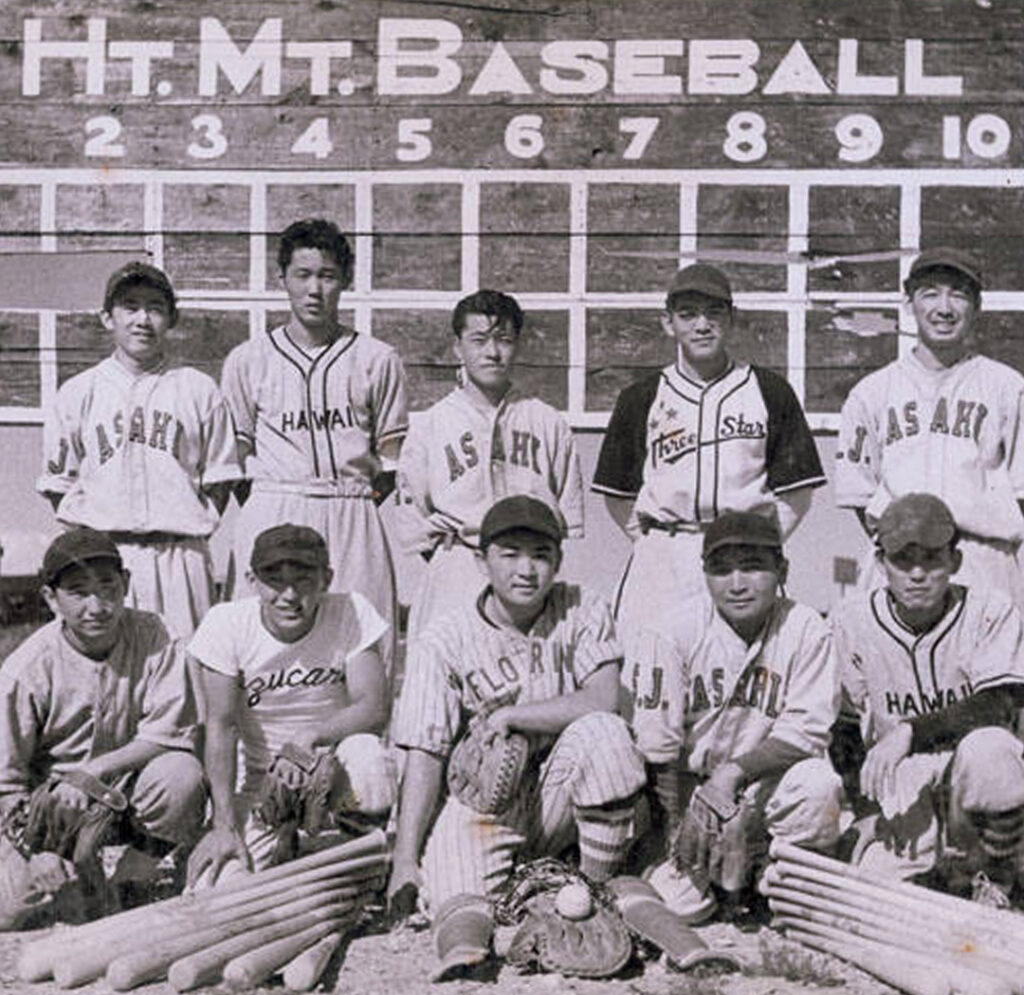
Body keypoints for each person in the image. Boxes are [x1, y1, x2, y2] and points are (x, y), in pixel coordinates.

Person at [387, 495, 646, 981]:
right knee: (452, 897)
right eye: (510, 553)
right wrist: (405, 859)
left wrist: (515, 715)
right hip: (487, 806)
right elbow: (425, 751)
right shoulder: (445, 638)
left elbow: (603, 698)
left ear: (558, 561)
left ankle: (598, 887)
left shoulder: (580, 607)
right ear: (481, 560)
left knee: (605, 736)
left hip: (561, 791)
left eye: (541, 554)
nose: (527, 569)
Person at [592, 262, 825, 644]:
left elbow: (797, 494)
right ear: (668, 323)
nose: (702, 325)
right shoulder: (641, 396)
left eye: (714, 313)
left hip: (741, 556)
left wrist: (758, 543)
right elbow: (618, 495)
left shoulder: (769, 390)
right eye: (688, 314)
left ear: (732, 319)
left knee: (746, 666)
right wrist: (653, 544)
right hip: (666, 551)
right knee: (647, 663)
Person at [627, 510, 841, 922]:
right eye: (722, 570)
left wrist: (733, 776)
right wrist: (677, 831)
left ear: (782, 569)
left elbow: (808, 733)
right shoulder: (670, 630)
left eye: (753, 566)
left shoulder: (806, 628)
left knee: (818, 786)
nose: (738, 583)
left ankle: (779, 876)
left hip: (766, 788)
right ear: (704, 573)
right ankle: (728, 879)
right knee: (681, 908)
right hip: (694, 795)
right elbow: (658, 746)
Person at [220, 219, 408, 670]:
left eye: (326, 275)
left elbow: (391, 461)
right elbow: (237, 460)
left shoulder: (377, 358)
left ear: (344, 279)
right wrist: (276, 497)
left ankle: (361, 741)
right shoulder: (248, 360)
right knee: (259, 642)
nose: (314, 289)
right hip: (274, 500)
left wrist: (351, 500)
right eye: (302, 275)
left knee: (364, 638)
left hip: (351, 506)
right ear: (281, 278)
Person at [0, 528, 204, 928]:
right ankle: (77, 871)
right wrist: (36, 847)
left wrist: (90, 773)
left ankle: (134, 875)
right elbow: (4, 783)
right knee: (11, 911)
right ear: (50, 598)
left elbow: (170, 733)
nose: (97, 606)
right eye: (78, 592)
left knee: (182, 773)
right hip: (54, 811)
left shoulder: (156, 635)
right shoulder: (26, 670)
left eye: (107, 587)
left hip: (128, 796)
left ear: (126, 584)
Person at [831, 493, 1024, 900]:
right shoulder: (851, 621)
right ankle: (947, 874)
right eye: (903, 560)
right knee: (875, 889)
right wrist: (864, 812)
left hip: (972, 780)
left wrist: (908, 732)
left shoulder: (990, 609)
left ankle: (997, 875)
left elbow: (1003, 701)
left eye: (932, 559)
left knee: (992, 749)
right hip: (903, 790)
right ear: (881, 564)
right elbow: (843, 728)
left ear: (954, 561)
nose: (917, 574)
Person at [36, 262, 242, 638]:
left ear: (171, 319)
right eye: (130, 306)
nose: (143, 319)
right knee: (105, 675)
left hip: (180, 554)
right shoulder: (79, 392)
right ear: (107, 318)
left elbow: (220, 480)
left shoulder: (197, 389)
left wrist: (190, 522)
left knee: (184, 671)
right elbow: (58, 485)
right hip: (105, 557)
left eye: (155, 307)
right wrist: (92, 539)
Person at [185, 524, 396, 884]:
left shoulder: (350, 610)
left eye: (302, 578)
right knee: (217, 889)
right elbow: (220, 726)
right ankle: (292, 846)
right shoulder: (226, 623)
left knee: (370, 760)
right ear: (252, 580)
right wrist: (222, 824)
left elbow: (374, 705)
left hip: (333, 771)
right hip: (263, 785)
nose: (288, 594)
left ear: (326, 578)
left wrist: (310, 736)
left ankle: (356, 852)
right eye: (274, 579)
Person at [835, 247, 1024, 606]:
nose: (944, 308)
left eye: (959, 294)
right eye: (930, 293)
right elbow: (860, 494)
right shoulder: (871, 392)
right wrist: (902, 546)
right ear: (909, 304)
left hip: (982, 558)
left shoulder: (1008, 387)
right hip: (900, 559)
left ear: (977, 306)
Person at [397, 289, 584, 638]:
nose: (492, 352)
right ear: (458, 347)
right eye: (479, 340)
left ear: (518, 345)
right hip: (458, 564)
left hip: (525, 572)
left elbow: (566, 520)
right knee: (447, 674)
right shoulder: (432, 425)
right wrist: (454, 553)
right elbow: (414, 521)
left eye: (504, 340)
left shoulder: (548, 421)